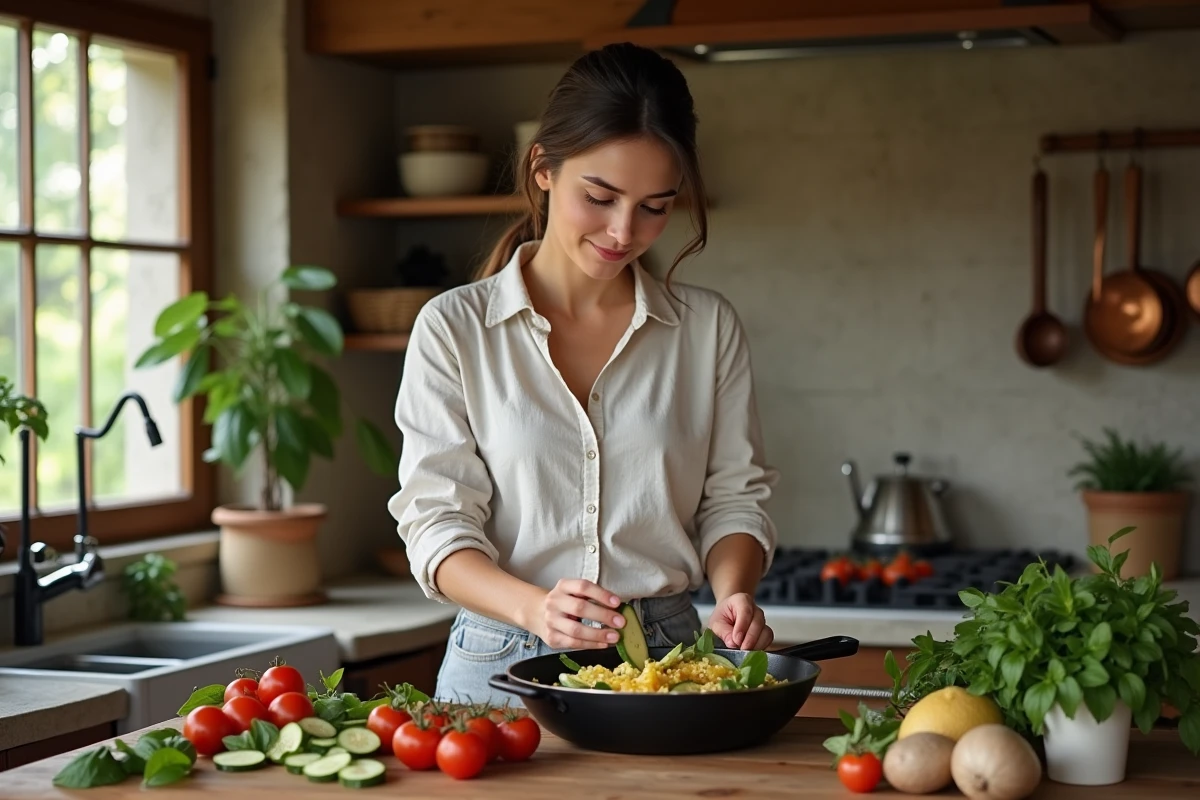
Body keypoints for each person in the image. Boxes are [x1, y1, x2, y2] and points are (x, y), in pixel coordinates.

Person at [388, 42, 779, 706]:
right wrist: (534, 608)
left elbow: (735, 499)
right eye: (599, 197)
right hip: (500, 662)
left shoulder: (707, 328)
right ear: (543, 168)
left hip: (670, 659)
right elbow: (436, 525)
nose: (624, 231)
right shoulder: (453, 328)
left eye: (655, 206)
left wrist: (734, 591)